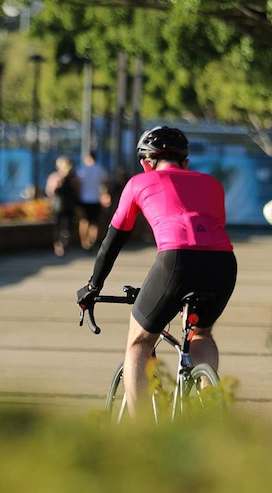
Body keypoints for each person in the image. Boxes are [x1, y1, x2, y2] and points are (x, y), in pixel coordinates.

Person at [76, 126, 237, 419]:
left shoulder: (139, 182)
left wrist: (93, 286)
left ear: (145, 163)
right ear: (185, 162)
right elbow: (209, 232)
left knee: (139, 340)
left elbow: (112, 241)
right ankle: (208, 402)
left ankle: (142, 433)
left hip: (176, 260)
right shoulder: (213, 184)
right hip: (224, 264)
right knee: (201, 333)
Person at [45, 155, 81, 257]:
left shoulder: (55, 177)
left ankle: (60, 246)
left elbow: (49, 191)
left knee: (60, 226)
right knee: (66, 226)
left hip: (60, 206)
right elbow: (78, 191)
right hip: (67, 205)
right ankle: (63, 244)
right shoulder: (72, 178)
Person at [76, 152, 109, 251]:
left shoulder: (81, 170)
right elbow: (105, 183)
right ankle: (92, 241)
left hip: (84, 198)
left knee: (84, 222)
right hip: (95, 198)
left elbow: (77, 184)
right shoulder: (100, 169)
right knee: (94, 223)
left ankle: (84, 242)